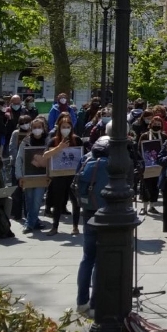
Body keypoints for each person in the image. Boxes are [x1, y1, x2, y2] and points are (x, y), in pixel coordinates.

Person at [75, 135, 111, 318]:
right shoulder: (113, 160)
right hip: (107, 213)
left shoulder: (86, 158)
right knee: (100, 260)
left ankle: (81, 302)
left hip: (88, 210)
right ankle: (96, 304)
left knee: (87, 257)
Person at [41, 112, 84, 236]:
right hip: (58, 175)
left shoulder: (77, 139)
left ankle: (75, 227)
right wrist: (59, 147)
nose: (66, 129)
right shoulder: (54, 140)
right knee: (58, 201)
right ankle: (55, 227)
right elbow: (45, 155)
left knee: (75, 201)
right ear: (59, 128)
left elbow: (83, 156)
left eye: (68, 127)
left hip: (73, 176)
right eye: (63, 127)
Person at [14, 117, 50, 234]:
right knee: (29, 201)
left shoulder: (48, 141)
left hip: (42, 177)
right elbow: (19, 159)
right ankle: (34, 221)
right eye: (34, 127)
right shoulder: (25, 141)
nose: (37, 129)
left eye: (39, 127)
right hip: (27, 176)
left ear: (43, 128)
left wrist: (50, 175)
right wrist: (19, 176)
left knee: (37, 200)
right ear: (31, 129)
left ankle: (29, 224)